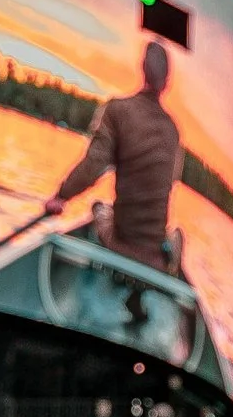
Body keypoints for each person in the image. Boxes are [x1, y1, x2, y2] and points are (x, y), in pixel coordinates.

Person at [43, 37, 183, 268]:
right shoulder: (172, 130)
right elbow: (171, 181)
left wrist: (61, 196)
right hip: (155, 256)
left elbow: (94, 164)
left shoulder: (118, 110)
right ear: (166, 81)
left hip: (122, 245)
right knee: (173, 234)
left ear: (143, 69)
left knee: (100, 208)